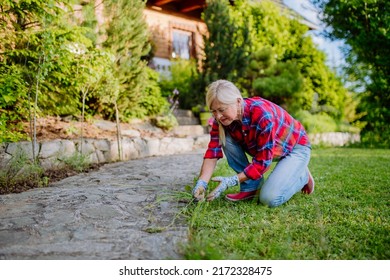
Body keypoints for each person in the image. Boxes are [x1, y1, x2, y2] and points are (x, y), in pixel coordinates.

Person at [192, 79, 314, 207]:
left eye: (222, 110)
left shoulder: (262, 115)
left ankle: (301, 175)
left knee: (269, 199)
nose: (218, 116)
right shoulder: (221, 121)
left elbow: (262, 163)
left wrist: (232, 181)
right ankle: (251, 187)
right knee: (225, 137)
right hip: (273, 149)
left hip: (295, 147)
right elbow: (212, 153)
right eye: (213, 111)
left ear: (238, 101)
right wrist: (202, 183)